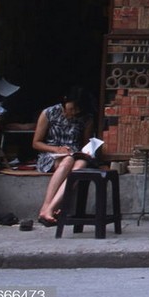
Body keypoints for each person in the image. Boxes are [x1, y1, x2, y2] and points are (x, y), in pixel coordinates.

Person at [32, 86, 95, 226]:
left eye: (78, 110)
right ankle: (46, 206)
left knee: (81, 164)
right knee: (68, 161)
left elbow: (85, 144)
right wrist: (56, 149)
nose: (73, 113)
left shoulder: (86, 119)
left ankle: (51, 208)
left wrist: (89, 152)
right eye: (71, 108)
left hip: (73, 155)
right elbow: (36, 143)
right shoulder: (49, 113)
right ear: (65, 101)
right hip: (50, 155)